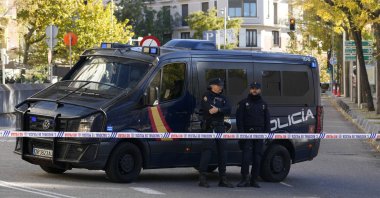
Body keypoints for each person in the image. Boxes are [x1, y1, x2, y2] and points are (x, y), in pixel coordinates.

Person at [198, 78, 234, 188]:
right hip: (209, 127)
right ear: (212, 85)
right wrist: (221, 109)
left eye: (221, 85)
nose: (221, 87)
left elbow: (229, 109)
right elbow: (209, 110)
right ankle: (202, 178)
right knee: (207, 152)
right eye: (219, 85)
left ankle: (223, 179)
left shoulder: (224, 97)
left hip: (220, 127)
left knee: (223, 152)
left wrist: (218, 110)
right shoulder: (206, 95)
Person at [236, 82, 270, 188]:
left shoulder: (263, 104)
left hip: (259, 134)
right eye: (252, 88)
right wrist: (241, 133)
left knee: (257, 157)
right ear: (250, 90)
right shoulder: (244, 103)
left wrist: (267, 134)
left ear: (260, 90)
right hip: (247, 133)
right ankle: (244, 178)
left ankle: (254, 179)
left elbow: (267, 120)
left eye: (256, 88)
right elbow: (239, 119)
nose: (254, 90)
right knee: (246, 157)